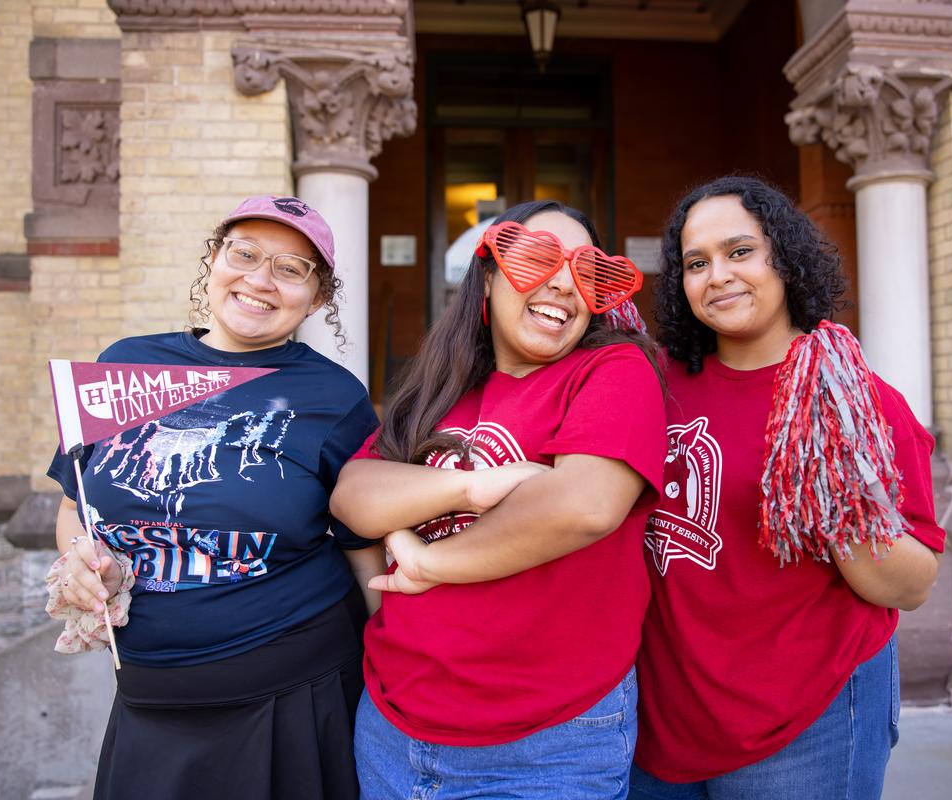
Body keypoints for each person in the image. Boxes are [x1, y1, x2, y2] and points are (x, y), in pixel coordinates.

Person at [46, 195, 382, 800]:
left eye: (291, 268)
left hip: (292, 697)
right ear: (214, 261)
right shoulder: (127, 365)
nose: (260, 280)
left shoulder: (333, 397)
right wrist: (77, 560)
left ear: (319, 297)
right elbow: (76, 504)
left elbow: (365, 552)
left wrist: (399, 681)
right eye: (244, 253)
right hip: (149, 701)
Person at [329, 200, 667, 799]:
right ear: (486, 277)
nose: (563, 282)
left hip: (547, 743)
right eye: (538, 257)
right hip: (393, 726)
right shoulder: (444, 387)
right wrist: (471, 486)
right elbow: (355, 496)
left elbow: (584, 507)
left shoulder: (614, 369)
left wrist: (428, 560)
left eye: (589, 271)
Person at [629, 176, 946, 800]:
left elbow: (912, 585)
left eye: (739, 251)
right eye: (697, 263)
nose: (717, 275)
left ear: (785, 259)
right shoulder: (652, 385)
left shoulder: (860, 402)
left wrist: (831, 484)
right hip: (662, 719)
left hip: (807, 721)